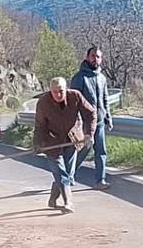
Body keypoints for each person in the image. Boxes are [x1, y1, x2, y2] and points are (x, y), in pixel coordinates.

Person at [33, 76, 96, 212]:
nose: (58, 94)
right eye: (54, 91)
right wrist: (37, 144)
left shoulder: (75, 96)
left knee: (67, 173)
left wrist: (88, 134)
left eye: (61, 90)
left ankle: (52, 199)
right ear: (50, 91)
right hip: (52, 143)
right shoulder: (43, 103)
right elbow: (39, 126)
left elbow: (90, 113)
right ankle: (69, 202)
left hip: (72, 141)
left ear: (66, 88)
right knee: (60, 173)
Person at [70, 45, 113, 188]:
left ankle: (100, 180)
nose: (95, 59)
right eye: (93, 56)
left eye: (98, 56)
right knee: (83, 150)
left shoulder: (102, 78)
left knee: (101, 151)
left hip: (99, 122)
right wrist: (76, 123)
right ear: (87, 57)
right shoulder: (79, 78)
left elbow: (105, 99)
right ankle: (68, 176)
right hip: (84, 122)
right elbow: (73, 102)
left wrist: (108, 117)